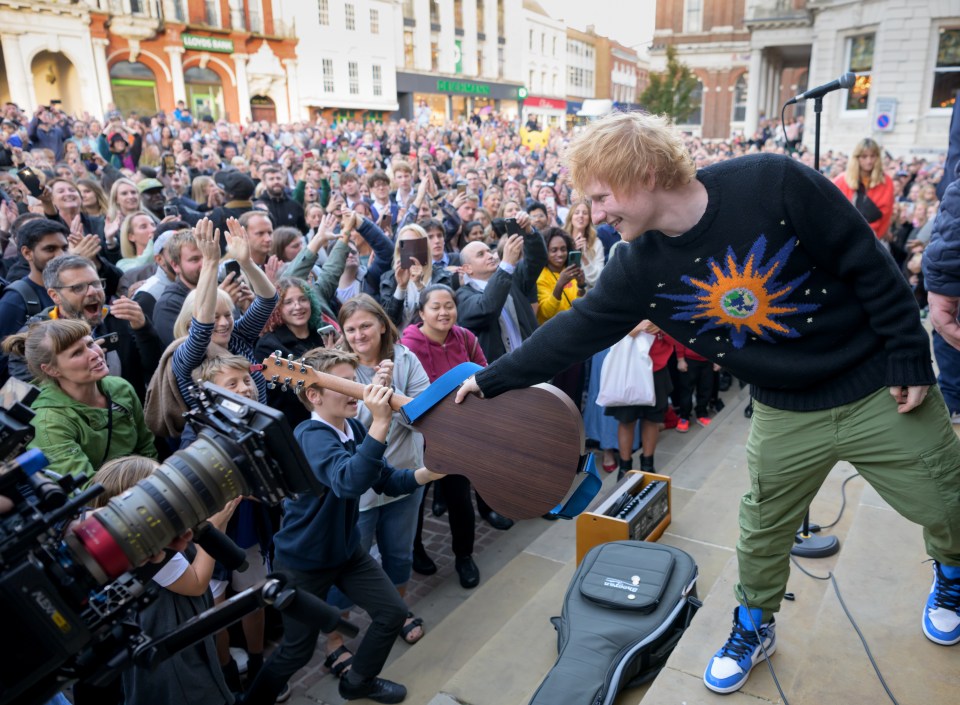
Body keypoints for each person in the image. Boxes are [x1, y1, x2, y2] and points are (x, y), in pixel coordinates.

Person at [456, 111, 960, 695]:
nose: (595, 215)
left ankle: (950, 576)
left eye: (600, 197)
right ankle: (753, 625)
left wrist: (906, 352)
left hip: (874, 385)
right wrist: (492, 380)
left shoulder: (772, 181)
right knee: (763, 531)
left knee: (944, 495)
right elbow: (575, 329)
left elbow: (867, 261)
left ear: (643, 172)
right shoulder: (636, 267)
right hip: (784, 410)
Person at [242, 347, 443, 705]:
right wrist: (380, 424)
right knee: (296, 652)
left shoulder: (351, 427)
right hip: (303, 561)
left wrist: (431, 472)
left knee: (393, 612)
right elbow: (348, 482)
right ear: (314, 395)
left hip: (346, 551)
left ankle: (358, 682)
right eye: (344, 385)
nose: (358, 392)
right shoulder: (310, 435)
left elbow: (385, 480)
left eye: (355, 382)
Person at [324, 294, 431, 661]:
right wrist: (377, 407)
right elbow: (347, 427)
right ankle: (336, 640)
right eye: (350, 329)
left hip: (403, 476)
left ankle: (398, 612)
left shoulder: (406, 358)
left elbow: (422, 414)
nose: (358, 335)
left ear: (382, 324)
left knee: (398, 555)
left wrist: (389, 392)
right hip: (361, 489)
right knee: (349, 562)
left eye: (365, 325)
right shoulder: (339, 370)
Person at [89, 456, 239, 705]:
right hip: (170, 645)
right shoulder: (147, 547)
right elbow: (197, 582)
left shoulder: (137, 537)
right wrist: (217, 526)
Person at [400, 284, 485, 588]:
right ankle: (417, 550)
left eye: (448, 305)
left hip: (458, 436)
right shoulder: (407, 346)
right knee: (416, 498)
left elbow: (484, 373)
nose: (443, 312)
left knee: (460, 498)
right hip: (419, 436)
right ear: (421, 312)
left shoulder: (465, 337)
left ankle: (464, 555)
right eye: (435, 307)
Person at [2, 318, 157, 482]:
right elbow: (86, 491)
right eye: (77, 353)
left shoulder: (120, 388)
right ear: (51, 370)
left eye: (90, 344)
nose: (95, 354)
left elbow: (147, 448)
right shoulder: (49, 422)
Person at [832, 137, 894, 241]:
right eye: (864, 157)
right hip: (844, 237)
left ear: (877, 158)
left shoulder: (886, 182)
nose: (869, 161)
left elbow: (886, 215)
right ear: (857, 158)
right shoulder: (841, 180)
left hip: (872, 238)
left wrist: (876, 238)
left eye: (872, 156)